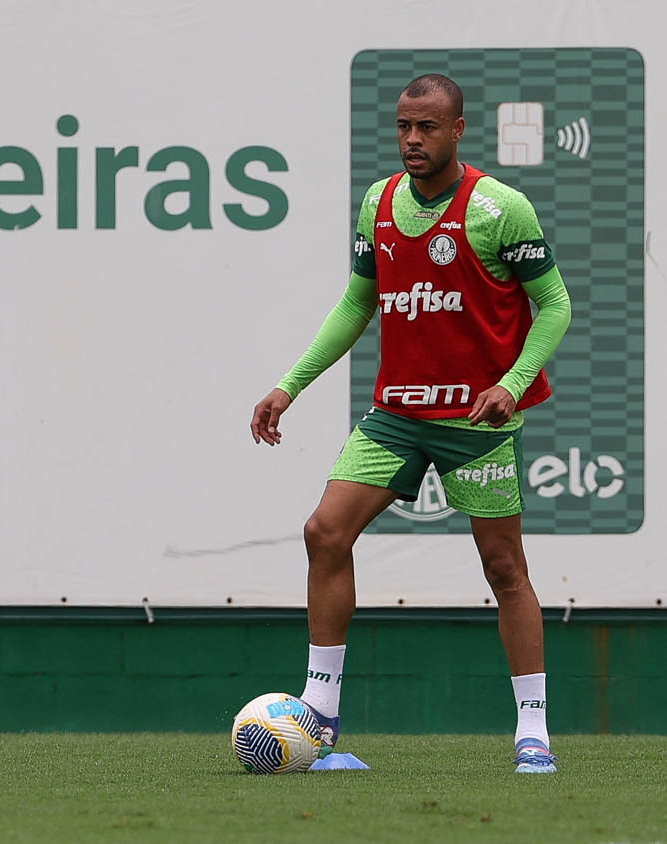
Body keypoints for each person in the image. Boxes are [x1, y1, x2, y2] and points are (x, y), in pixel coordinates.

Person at [249, 73, 572, 774]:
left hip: (475, 420)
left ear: (458, 130)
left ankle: (534, 732)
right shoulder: (380, 203)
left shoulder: (499, 209)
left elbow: (554, 306)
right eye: (403, 126)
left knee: (504, 568)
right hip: (397, 412)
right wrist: (290, 384)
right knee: (323, 530)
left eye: (427, 127)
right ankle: (320, 717)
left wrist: (511, 386)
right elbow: (358, 302)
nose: (412, 139)